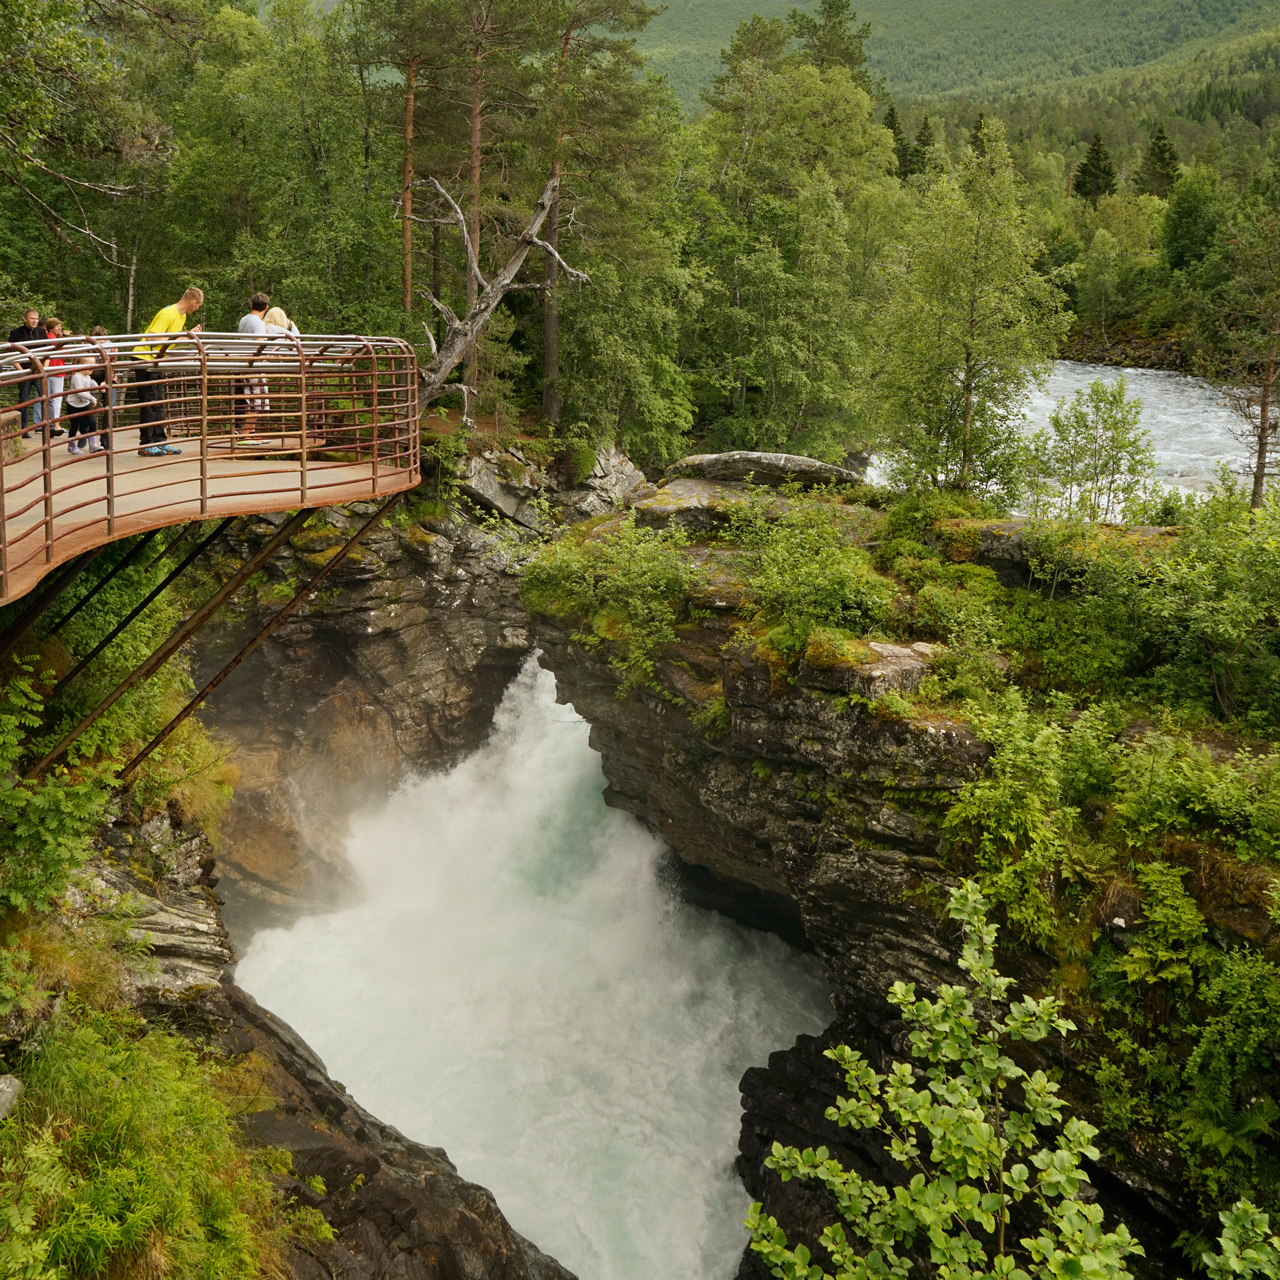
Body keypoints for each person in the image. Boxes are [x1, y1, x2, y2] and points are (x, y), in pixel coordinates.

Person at [132, 287, 204, 456]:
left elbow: (171, 340)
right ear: (194, 302)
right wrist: (182, 336)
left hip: (157, 360)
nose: (198, 308)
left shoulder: (182, 316)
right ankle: (146, 444)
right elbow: (152, 337)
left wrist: (185, 336)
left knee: (158, 403)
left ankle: (159, 441)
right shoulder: (168, 313)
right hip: (144, 359)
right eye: (199, 305)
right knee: (149, 403)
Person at [235, 292, 270, 441]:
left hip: (244, 363)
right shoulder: (258, 322)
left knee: (251, 399)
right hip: (254, 365)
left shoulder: (244, 320)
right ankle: (244, 435)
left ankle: (250, 432)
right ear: (266, 307)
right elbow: (259, 342)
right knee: (258, 400)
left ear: (251, 305)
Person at [8, 308, 45, 435]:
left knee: (46, 398)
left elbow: (47, 352)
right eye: (32, 318)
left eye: (36, 318)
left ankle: (47, 426)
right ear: (25, 319)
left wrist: (43, 369)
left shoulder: (41, 331)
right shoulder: (16, 333)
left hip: (39, 371)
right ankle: (23, 428)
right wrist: (22, 372)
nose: (35, 321)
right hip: (24, 371)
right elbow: (11, 355)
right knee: (24, 400)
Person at [64, 355, 101, 456]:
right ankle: (71, 446)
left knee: (92, 422)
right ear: (80, 365)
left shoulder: (88, 377)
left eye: (93, 364)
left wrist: (96, 386)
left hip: (84, 404)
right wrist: (92, 398)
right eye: (89, 364)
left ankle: (93, 444)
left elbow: (90, 387)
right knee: (74, 426)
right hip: (73, 405)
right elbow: (80, 392)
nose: (92, 366)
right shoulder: (77, 377)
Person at [42, 316, 67, 439]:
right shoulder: (54, 340)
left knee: (49, 399)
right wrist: (64, 340)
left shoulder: (48, 338)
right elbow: (65, 354)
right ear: (51, 328)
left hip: (50, 370)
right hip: (56, 370)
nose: (60, 328)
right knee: (56, 399)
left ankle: (51, 424)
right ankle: (56, 424)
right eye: (57, 326)